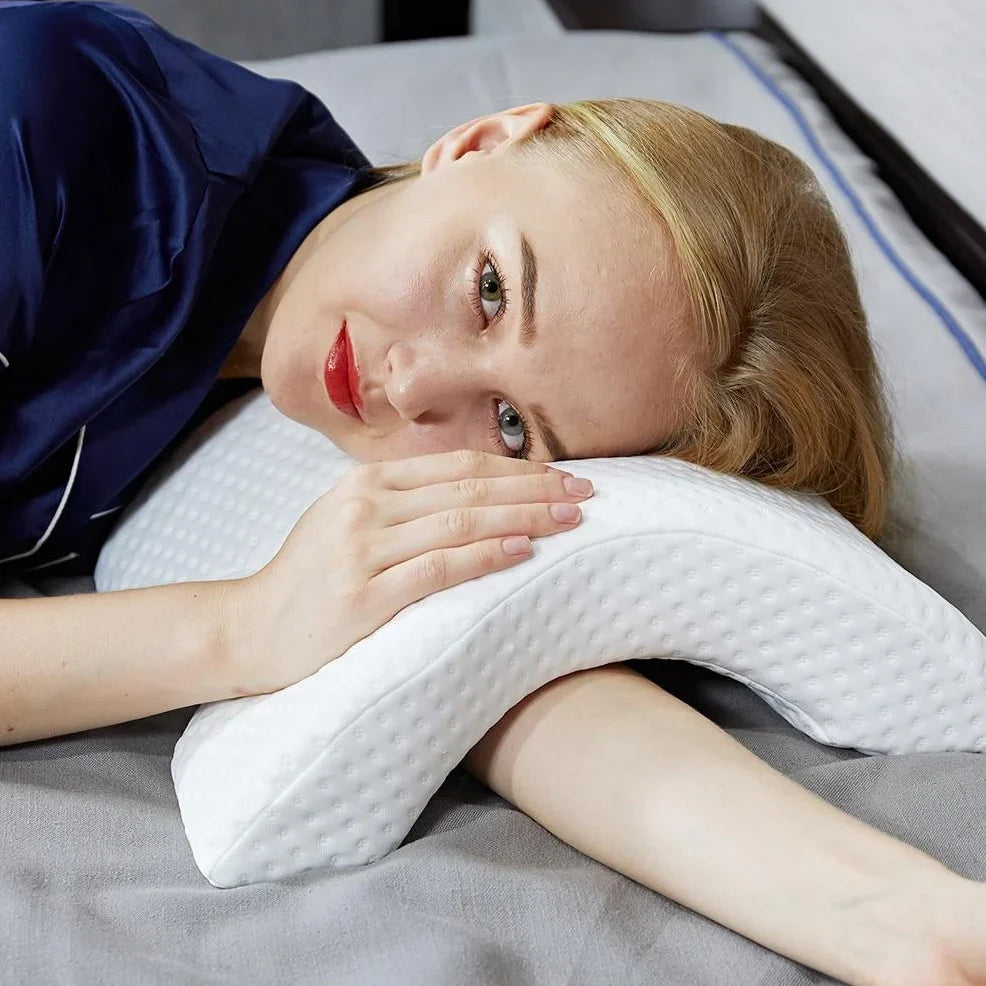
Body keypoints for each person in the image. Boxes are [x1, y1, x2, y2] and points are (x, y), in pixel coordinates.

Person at [0, 3, 982, 984]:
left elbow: (504, 645)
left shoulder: (276, 345)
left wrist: (896, 919)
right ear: (480, 139)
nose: (415, 387)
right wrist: (236, 628)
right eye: (490, 289)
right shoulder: (51, 127)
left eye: (512, 424)